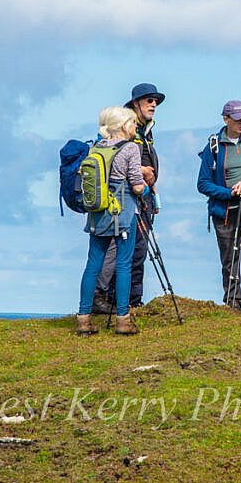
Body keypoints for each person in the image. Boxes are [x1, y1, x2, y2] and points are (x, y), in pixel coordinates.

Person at [91, 82, 166, 314]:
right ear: (136, 104)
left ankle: (131, 299)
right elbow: (112, 156)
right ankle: (110, 299)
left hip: (141, 199)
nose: (153, 104)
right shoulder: (124, 129)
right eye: (149, 100)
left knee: (136, 251)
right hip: (124, 200)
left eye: (155, 101)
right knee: (121, 251)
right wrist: (142, 174)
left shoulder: (145, 131)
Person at [75, 107, 149, 336]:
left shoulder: (96, 147)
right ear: (124, 126)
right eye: (133, 123)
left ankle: (83, 318)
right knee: (124, 264)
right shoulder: (131, 149)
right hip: (123, 213)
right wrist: (146, 187)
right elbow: (137, 185)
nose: (136, 127)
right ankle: (123, 320)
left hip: (98, 213)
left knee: (92, 264)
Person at [196, 100, 241, 311]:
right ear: (226, 119)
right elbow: (203, 183)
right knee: (229, 257)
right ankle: (233, 301)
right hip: (225, 210)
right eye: (237, 119)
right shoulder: (213, 146)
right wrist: (229, 193)